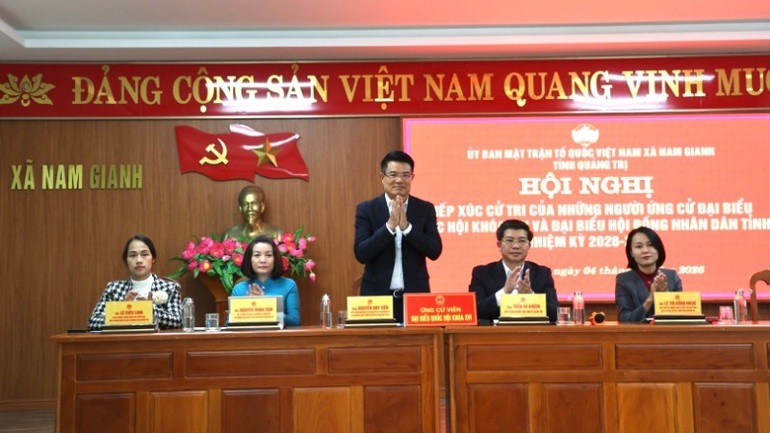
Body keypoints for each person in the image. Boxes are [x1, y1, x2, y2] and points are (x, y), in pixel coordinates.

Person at [354, 150, 442, 323]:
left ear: (412, 177)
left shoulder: (424, 209)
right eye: (393, 174)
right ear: (382, 177)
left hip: (415, 297)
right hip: (377, 299)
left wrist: (407, 228)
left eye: (405, 175)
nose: (399, 180)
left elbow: (435, 250)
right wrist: (389, 227)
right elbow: (361, 253)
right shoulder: (367, 209)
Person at [469, 219, 559, 323]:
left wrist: (531, 296)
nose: (516, 246)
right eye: (509, 240)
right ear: (499, 245)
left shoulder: (542, 274)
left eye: (522, 241)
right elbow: (475, 311)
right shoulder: (482, 274)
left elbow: (555, 314)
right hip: (496, 333)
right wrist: (504, 292)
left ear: (529, 246)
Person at [88, 235, 183, 330]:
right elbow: (93, 322)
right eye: (133, 255)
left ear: (153, 258)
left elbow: (177, 321)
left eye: (144, 254)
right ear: (126, 261)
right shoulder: (113, 289)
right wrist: (123, 311)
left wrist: (150, 309)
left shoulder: (169, 287)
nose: (139, 260)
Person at [615, 226, 683, 323]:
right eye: (639, 246)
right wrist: (650, 299)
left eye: (650, 245)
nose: (645, 251)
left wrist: (665, 295)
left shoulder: (672, 277)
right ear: (631, 253)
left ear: (658, 249)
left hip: (667, 332)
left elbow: (681, 316)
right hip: (638, 333)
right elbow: (625, 319)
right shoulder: (624, 280)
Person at [231, 236, 300, 326]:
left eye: (268, 255)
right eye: (257, 255)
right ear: (249, 259)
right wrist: (249, 305)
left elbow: (295, 322)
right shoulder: (239, 289)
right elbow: (229, 324)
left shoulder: (288, 285)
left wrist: (265, 306)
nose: (263, 260)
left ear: (275, 259)